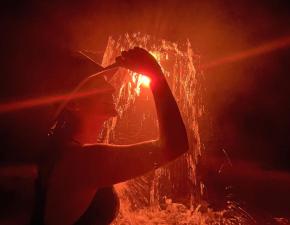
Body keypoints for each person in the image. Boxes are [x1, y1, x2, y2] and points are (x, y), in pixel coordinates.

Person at [30, 47, 189, 225]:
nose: (112, 88)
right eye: (98, 83)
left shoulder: (65, 153)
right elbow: (175, 145)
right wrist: (155, 74)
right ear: (73, 103)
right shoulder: (83, 161)